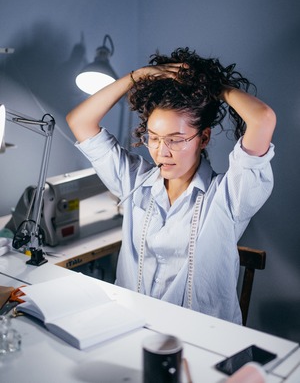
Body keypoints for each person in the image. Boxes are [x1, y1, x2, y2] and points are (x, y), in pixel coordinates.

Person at [66, 47, 276, 324]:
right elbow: (79, 121)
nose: (161, 152)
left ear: (203, 138)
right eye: (153, 138)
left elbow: (262, 119)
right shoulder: (134, 180)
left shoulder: (229, 196)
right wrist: (138, 76)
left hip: (203, 340)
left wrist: (212, 86)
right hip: (131, 328)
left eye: (176, 139)